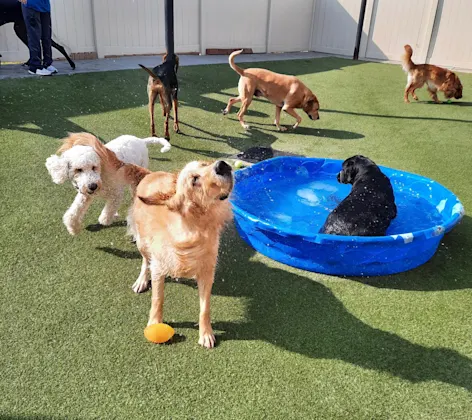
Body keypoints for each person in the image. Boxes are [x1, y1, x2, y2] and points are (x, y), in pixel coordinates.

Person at [19, 0, 57, 76]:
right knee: (34, 37)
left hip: (45, 6)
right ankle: (35, 67)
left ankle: (47, 64)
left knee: (46, 36)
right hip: (31, 6)